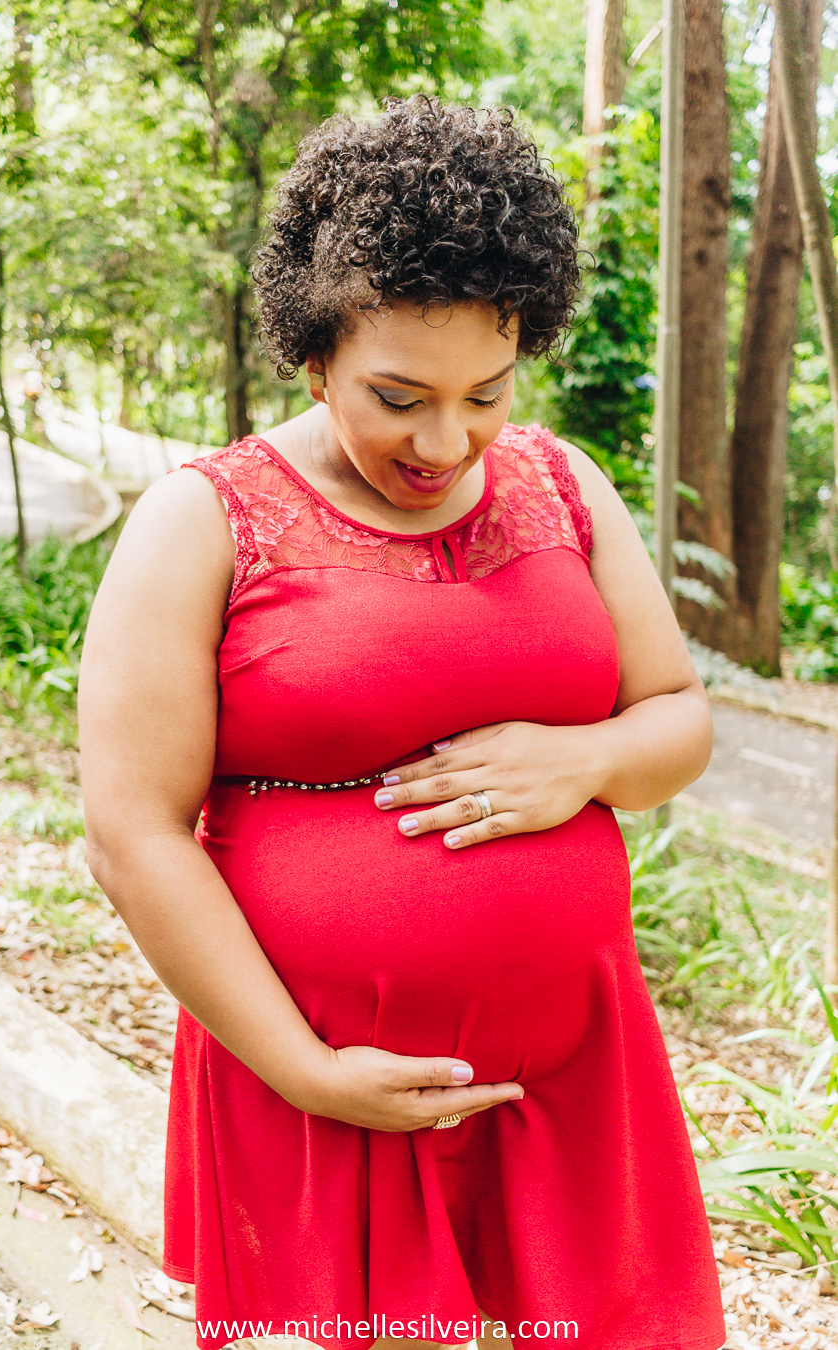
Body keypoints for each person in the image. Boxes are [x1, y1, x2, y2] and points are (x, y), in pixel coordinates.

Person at [78, 97, 727, 1350]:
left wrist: (589, 760)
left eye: (487, 391)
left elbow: (681, 719)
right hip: (319, 1078)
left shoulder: (562, 484)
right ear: (312, 352)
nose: (447, 439)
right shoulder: (201, 522)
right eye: (397, 396)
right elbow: (133, 833)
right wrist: (305, 1071)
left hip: (573, 1072)